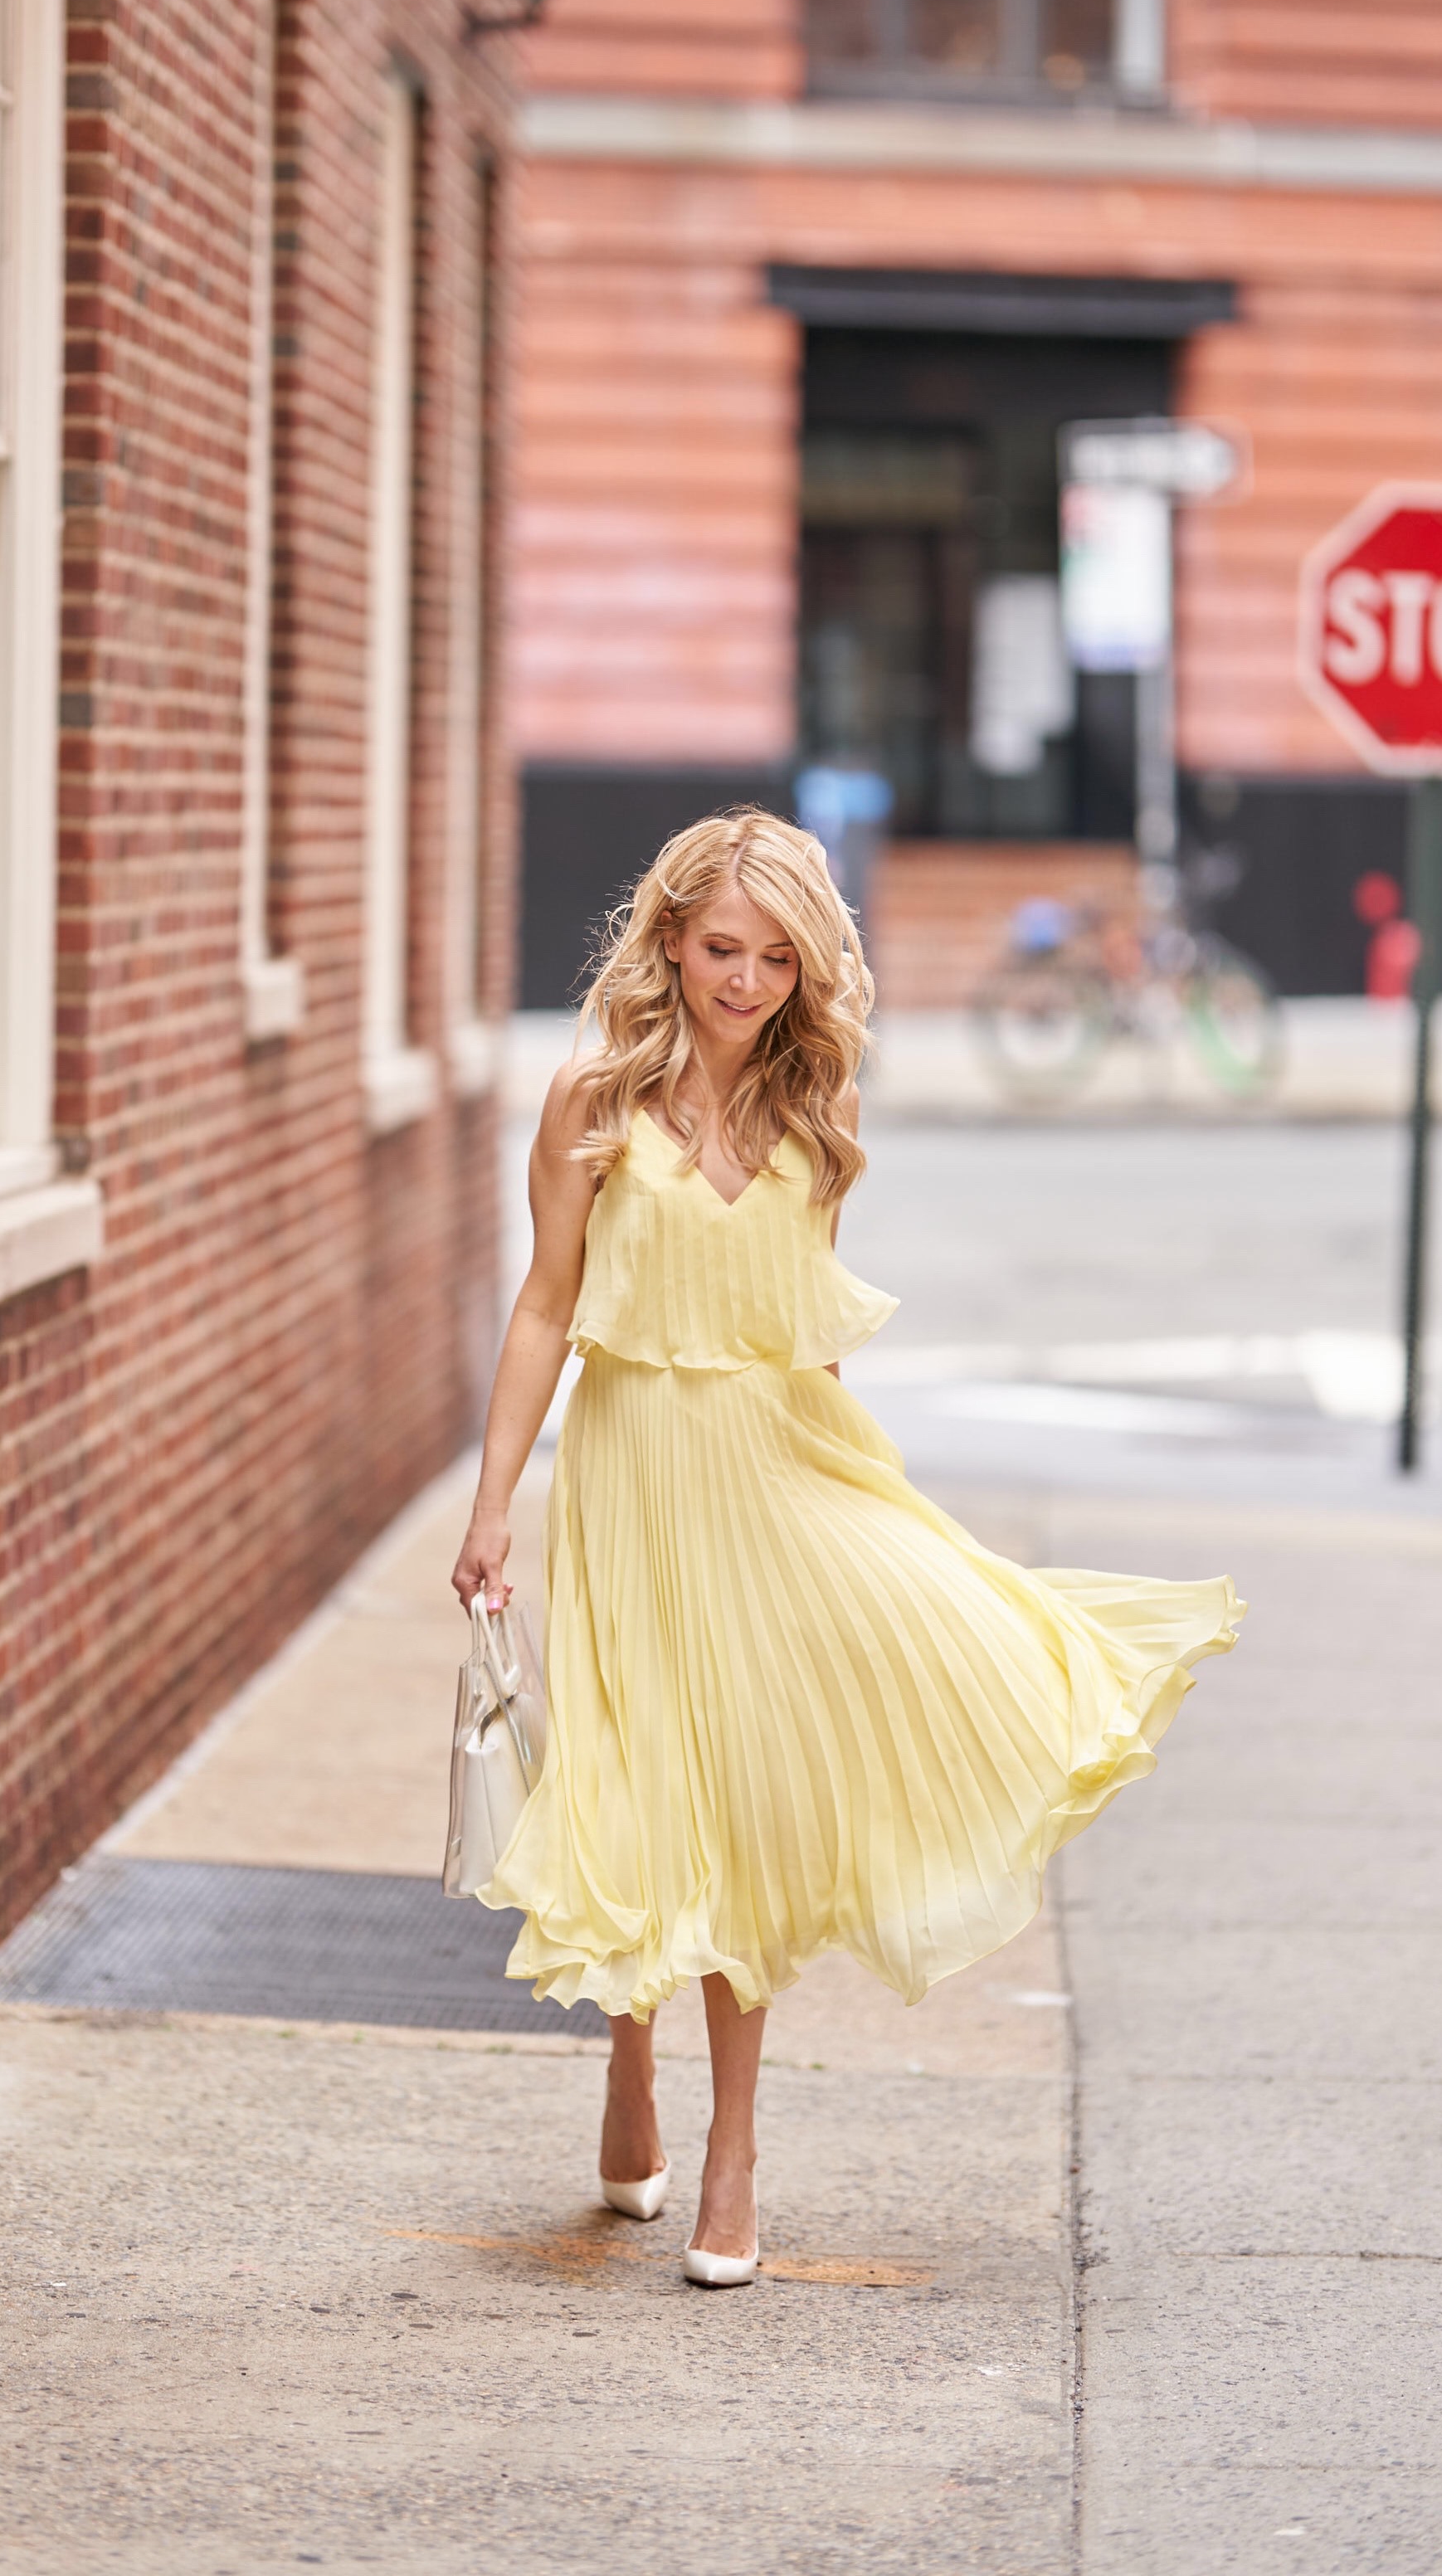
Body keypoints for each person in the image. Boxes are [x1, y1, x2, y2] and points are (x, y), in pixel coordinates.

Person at [450, 809, 1241, 2288]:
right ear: (672, 940)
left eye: (774, 958)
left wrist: (871, 1509)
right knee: (631, 1790)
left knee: (743, 1807)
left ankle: (734, 2155)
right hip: (628, 1481)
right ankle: (631, 2074)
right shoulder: (590, 1105)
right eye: (721, 950)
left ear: (810, 968)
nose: (743, 981)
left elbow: (807, 1347)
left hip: (772, 1479)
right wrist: (494, 1504)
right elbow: (547, 1310)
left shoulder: (821, 1121)